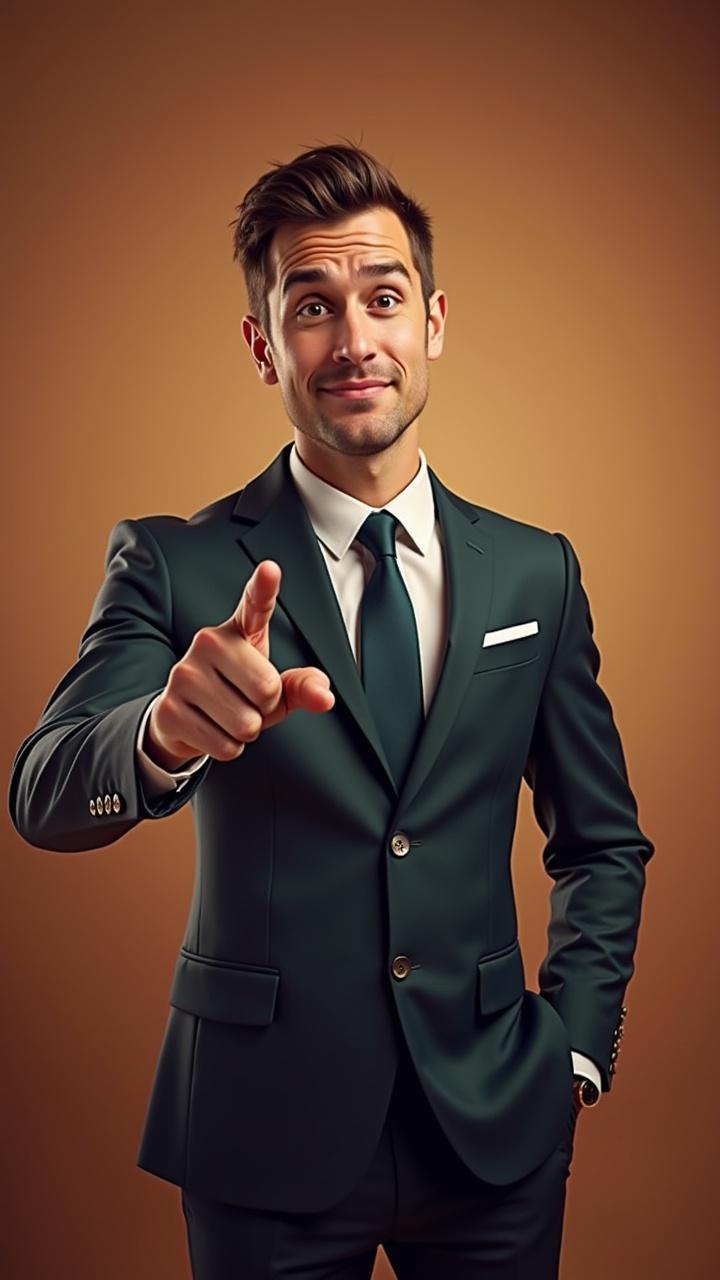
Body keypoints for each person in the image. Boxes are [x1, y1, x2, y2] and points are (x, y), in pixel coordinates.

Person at [8, 142, 655, 1279]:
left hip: (496, 1124)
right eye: (313, 305)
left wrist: (575, 1052)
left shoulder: (535, 573)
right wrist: (162, 733)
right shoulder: (175, 564)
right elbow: (44, 790)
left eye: (384, 299)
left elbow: (601, 839)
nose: (354, 341)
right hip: (261, 1133)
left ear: (434, 321)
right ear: (264, 344)